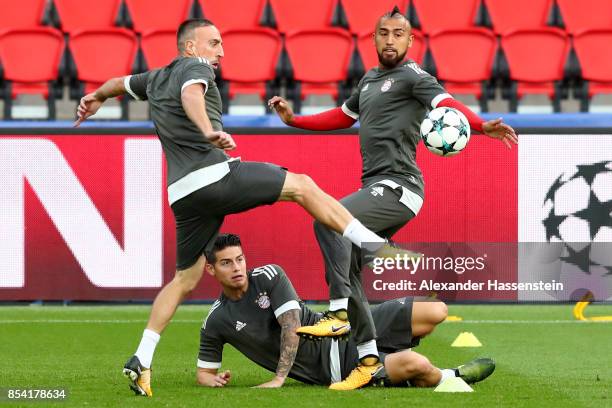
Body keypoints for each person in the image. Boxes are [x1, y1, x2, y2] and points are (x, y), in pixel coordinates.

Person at [74, 18, 405, 397]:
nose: (221, 51)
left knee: (184, 279)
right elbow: (191, 97)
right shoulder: (193, 68)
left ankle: (141, 358)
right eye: (213, 43)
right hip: (212, 175)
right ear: (190, 47)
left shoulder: (154, 77)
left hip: (182, 194)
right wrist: (207, 131)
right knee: (302, 185)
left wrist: (97, 96)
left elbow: (119, 82)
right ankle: (368, 240)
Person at [268, 6, 518, 390]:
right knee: (349, 268)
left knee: (327, 220)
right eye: (383, 33)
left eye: (398, 34)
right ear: (373, 38)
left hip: (400, 187)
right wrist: (294, 120)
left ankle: (337, 311)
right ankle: (368, 360)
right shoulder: (368, 80)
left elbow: (446, 105)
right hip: (376, 185)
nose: (390, 40)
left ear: (409, 39)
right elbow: (343, 115)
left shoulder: (414, 76)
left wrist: (481, 125)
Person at [197, 233, 495, 389]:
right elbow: (204, 373)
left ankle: (390, 351)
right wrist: (213, 379)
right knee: (417, 363)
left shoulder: (269, 276)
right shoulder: (216, 320)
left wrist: (278, 378)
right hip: (336, 365)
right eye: (226, 263)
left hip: (345, 327)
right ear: (210, 269)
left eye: (239, 259)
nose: (237, 268)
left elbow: (291, 327)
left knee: (435, 310)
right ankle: (451, 376)